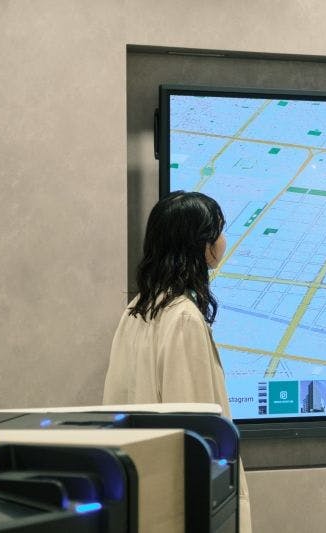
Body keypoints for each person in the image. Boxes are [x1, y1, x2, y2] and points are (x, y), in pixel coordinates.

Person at [102, 190, 252, 532]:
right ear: (199, 245)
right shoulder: (183, 317)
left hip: (145, 492)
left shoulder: (138, 308)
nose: (223, 241)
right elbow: (198, 428)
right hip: (187, 504)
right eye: (216, 232)